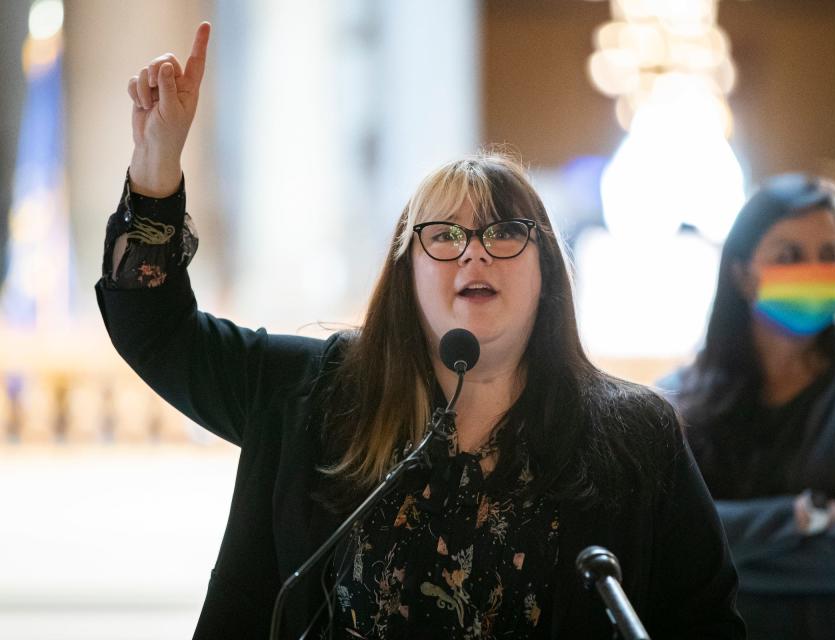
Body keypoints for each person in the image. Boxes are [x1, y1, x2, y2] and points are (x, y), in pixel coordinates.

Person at [96, 23, 745, 640]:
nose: (474, 254)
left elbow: (706, 623)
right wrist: (157, 168)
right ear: (406, 274)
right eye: (444, 236)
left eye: (503, 232)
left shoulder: (637, 438)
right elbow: (155, 328)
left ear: (547, 269)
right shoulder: (307, 395)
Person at [660, 174, 835, 639]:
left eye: (827, 256)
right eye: (789, 256)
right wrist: (803, 516)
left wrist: (715, 553)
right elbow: (661, 536)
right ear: (743, 274)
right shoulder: (676, 403)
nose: (813, 270)